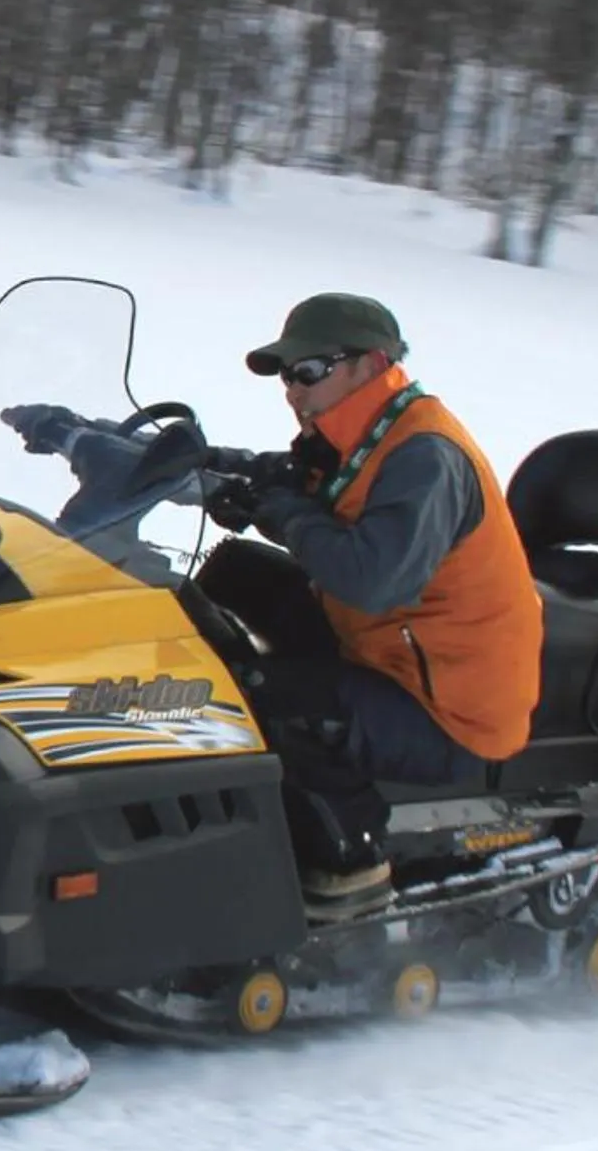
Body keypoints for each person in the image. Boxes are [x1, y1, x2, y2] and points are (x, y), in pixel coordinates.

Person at [196, 293, 543, 918]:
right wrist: (198, 464)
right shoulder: (362, 435)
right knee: (228, 575)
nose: (292, 390)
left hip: (450, 708)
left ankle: (351, 866)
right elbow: (291, 480)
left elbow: (369, 579)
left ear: (371, 363)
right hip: (393, 651)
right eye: (285, 375)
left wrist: (284, 514)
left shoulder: (425, 455)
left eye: (308, 371)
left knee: (266, 699)